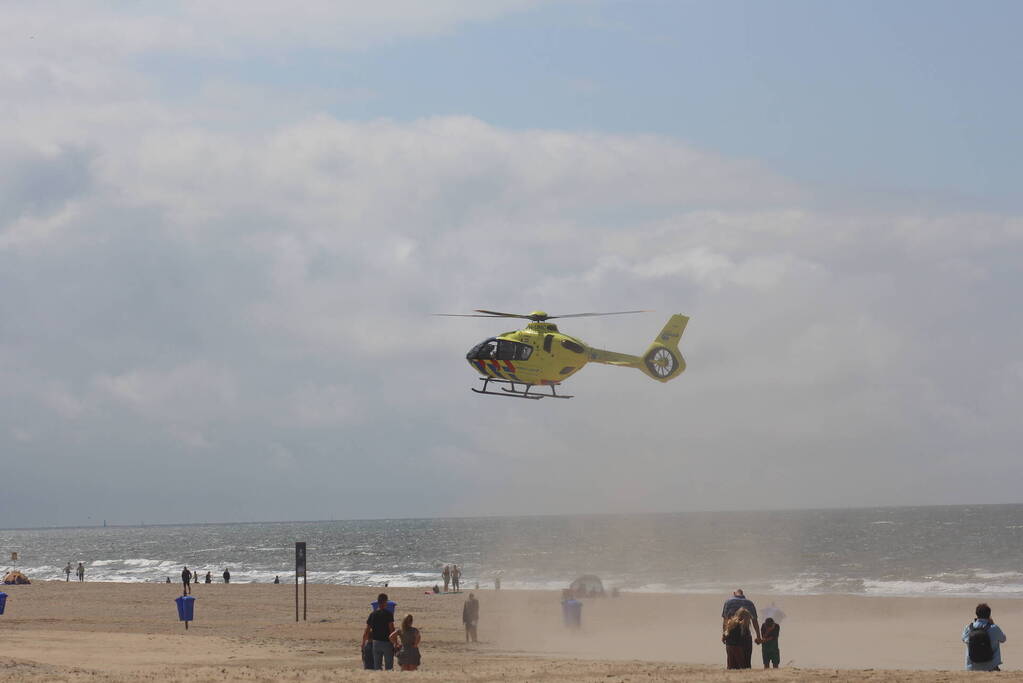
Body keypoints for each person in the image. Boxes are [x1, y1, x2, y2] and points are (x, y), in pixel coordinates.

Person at [721, 589, 761, 668]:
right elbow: (755, 621)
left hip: (731, 633)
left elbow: (725, 620)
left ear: (734, 594)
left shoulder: (728, 602)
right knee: (746, 662)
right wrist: (758, 636)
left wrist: (724, 634)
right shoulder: (749, 603)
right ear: (743, 594)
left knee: (731, 662)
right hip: (745, 633)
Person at [963, 602, 1007, 671]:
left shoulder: (969, 628)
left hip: (971, 667)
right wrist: (993, 624)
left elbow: (963, 639)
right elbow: (1003, 639)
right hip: (991, 666)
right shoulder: (994, 628)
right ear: (989, 615)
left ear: (977, 614)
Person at [362, 593, 396, 670]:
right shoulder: (388, 614)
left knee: (377, 667)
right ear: (385, 602)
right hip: (387, 642)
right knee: (389, 667)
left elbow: (367, 630)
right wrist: (395, 642)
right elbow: (391, 629)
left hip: (376, 642)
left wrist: (363, 643)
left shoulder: (372, 614)